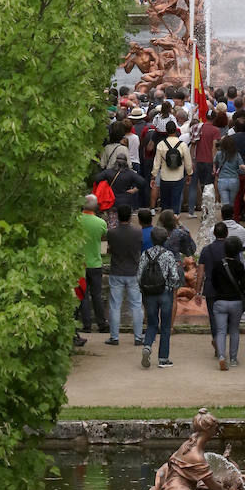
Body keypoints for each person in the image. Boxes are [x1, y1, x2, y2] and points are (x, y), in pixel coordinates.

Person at [138, 225, 183, 368]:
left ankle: (147, 345)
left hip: (149, 293)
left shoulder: (145, 254)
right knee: (165, 326)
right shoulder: (168, 255)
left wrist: (143, 289)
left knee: (151, 323)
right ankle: (163, 358)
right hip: (165, 293)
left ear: (151, 239)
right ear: (166, 239)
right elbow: (175, 277)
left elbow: (139, 276)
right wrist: (170, 286)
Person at [105, 206, 145, 347]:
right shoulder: (138, 233)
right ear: (130, 217)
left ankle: (114, 337)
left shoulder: (112, 233)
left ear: (118, 216)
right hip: (133, 271)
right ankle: (138, 337)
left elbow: (110, 249)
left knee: (115, 305)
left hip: (117, 271)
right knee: (136, 305)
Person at [212, 236, 245, 370]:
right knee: (234, 330)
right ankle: (233, 359)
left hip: (220, 301)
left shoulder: (218, 265)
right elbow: (244, 285)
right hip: (235, 302)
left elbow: (214, 283)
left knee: (221, 331)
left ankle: (222, 356)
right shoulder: (239, 266)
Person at [77, 194, 108, 334]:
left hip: (79, 263)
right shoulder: (101, 223)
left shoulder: (76, 221)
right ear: (96, 206)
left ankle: (86, 324)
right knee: (97, 294)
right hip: (95, 263)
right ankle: (101, 323)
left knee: (82, 295)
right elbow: (103, 237)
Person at [196, 221, 229, 353]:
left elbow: (200, 273)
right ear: (227, 233)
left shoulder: (206, 250)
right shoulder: (230, 248)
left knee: (213, 317)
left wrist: (197, 291)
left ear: (214, 234)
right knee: (227, 315)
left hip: (210, 288)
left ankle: (216, 338)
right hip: (227, 287)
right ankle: (221, 340)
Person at [153, 121, 192, 214]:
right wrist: (189, 174)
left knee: (165, 202)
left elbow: (156, 163)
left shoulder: (161, 144)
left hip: (164, 177)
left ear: (166, 130)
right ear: (176, 130)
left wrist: (153, 176)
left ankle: (166, 220)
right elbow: (188, 162)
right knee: (176, 200)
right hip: (178, 177)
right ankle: (175, 219)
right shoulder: (182, 145)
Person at [212, 134, 244, 211]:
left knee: (225, 203)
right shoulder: (236, 154)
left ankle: (226, 219)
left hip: (222, 180)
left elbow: (215, 163)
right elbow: (242, 168)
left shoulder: (219, 154)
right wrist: (237, 171)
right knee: (232, 203)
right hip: (234, 180)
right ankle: (231, 218)